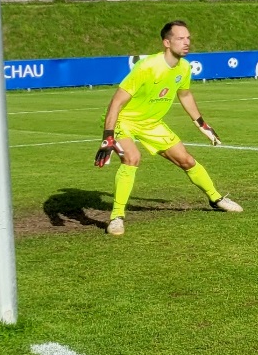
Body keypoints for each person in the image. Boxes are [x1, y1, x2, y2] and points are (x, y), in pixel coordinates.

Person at [94, 21, 241, 236]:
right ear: (166, 42)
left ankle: (216, 198)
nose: (186, 42)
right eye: (180, 38)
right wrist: (108, 136)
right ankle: (116, 217)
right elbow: (116, 102)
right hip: (123, 120)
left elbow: (185, 95)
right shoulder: (147, 67)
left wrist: (201, 124)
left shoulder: (184, 67)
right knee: (132, 158)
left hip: (152, 123)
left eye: (188, 38)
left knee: (186, 160)